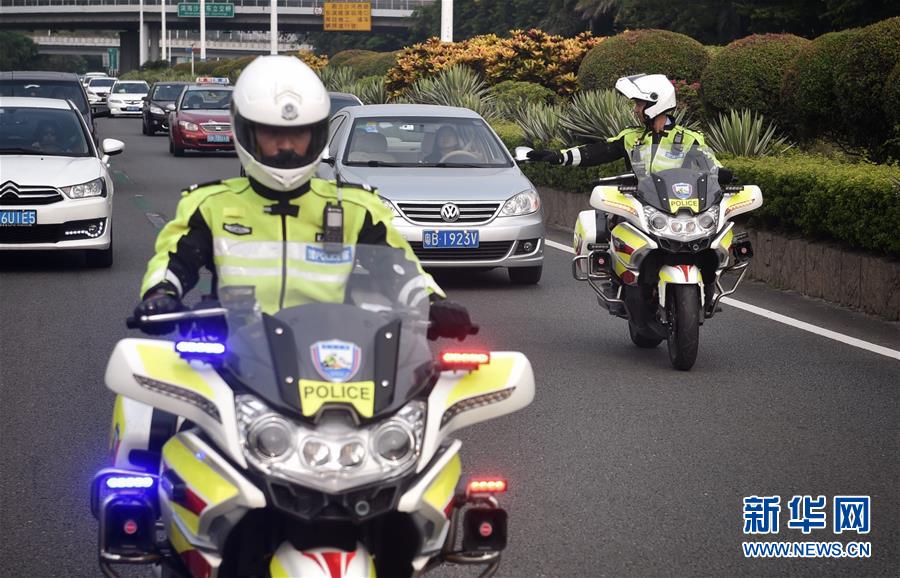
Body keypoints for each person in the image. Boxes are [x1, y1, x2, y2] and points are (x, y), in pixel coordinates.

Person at [133, 55, 474, 340]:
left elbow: (399, 269)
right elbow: (173, 263)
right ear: (246, 132)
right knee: (166, 405)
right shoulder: (211, 205)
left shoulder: (356, 209)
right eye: (272, 135)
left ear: (316, 135)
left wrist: (432, 301)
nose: (286, 146)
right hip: (235, 351)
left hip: (332, 356)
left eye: (297, 135)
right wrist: (161, 295)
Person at [527, 73, 732, 311]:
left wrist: (723, 174)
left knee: (709, 244)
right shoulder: (632, 138)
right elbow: (596, 152)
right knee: (609, 226)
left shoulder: (689, 140)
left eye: (639, 104)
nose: (635, 110)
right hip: (640, 205)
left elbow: (711, 166)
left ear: (656, 104)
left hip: (678, 211)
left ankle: (707, 291)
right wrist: (556, 157)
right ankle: (615, 277)